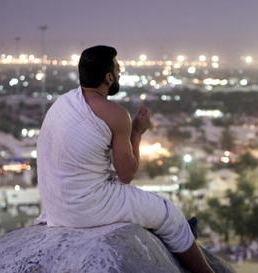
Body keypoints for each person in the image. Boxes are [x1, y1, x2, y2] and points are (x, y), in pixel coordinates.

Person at [36, 45, 214, 273]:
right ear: (108, 77)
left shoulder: (62, 103)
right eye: (117, 68)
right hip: (86, 207)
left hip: (54, 208)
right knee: (170, 215)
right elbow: (126, 174)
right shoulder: (116, 114)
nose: (120, 72)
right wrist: (137, 133)